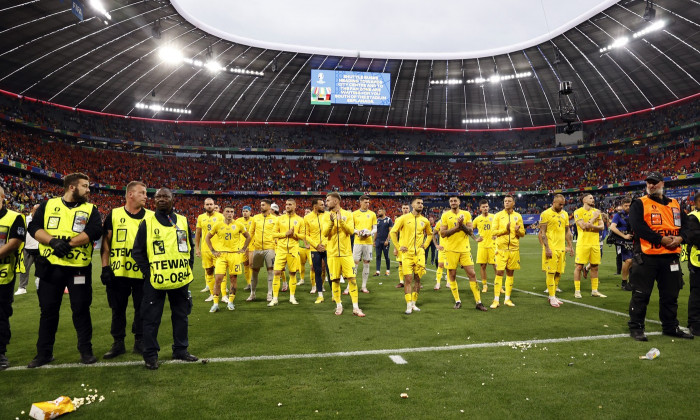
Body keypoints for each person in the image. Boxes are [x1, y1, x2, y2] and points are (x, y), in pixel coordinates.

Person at [27, 173, 102, 368]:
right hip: (50, 268)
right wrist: (52, 242)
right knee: (48, 311)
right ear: (72, 187)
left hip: (79, 269)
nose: (88, 190)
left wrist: (67, 244)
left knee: (81, 309)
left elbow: (94, 231)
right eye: (85, 186)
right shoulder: (48, 205)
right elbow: (34, 227)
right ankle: (44, 353)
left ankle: (86, 351)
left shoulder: (90, 209)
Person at [132, 188, 198, 369]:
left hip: (180, 280)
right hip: (155, 281)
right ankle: (151, 355)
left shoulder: (183, 221)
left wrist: (188, 268)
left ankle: (181, 350)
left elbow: (189, 249)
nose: (161, 199)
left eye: (165, 196)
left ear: (172, 199)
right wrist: (149, 272)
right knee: (151, 319)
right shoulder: (147, 222)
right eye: (158, 197)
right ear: (154, 201)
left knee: (181, 316)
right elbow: (137, 252)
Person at [627, 173, 693, 341]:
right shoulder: (639, 203)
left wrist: (680, 238)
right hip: (647, 256)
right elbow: (638, 227)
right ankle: (636, 327)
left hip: (670, 257)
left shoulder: (675, 204)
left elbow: (687, 226)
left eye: (654, 183)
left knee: (671, 295)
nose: (651, 185)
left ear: (662, 184)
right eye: (649, 183)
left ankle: (670, 327)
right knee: (641, 294)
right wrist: (661, 239)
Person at [100, 181, 153, 359]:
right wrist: (105, 267)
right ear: (130, 194)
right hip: (118, 272)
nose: (146, 196)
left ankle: (140, 341)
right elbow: (105, 243)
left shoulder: (151, 217)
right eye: (142, 192)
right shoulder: (114, 214)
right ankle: (118, 343)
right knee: (117, 308)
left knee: (142, 308)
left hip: (142, 273)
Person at [440, 196, 487, 311]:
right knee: (452, 275)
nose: (453, 202)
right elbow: (442, 233)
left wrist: (463, 225)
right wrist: (457, 227)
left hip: (465, 249)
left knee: (472, 274)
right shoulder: (445, 215)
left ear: (459, 202)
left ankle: (478, 302)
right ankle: (457, 300)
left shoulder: (466, 214)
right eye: (451, 201)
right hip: (450, 250)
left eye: (455, 200)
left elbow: (470, 231)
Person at [322, 192, 365, 317]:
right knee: (334, 279)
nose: (326, 203)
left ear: (336, 201)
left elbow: (351, 231)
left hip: (346, 254)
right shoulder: (326, 216)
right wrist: (331, 222)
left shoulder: (348, 214)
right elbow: (325, 233)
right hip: (332, 254)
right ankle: (339, 305)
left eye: (328, 200)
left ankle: (355, 307)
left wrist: (341, 222)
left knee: (352, 279)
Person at [390, 198, 433, 314]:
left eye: (422, 203)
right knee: (408, 279)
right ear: (412, 205)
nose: (421, 205)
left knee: (418, 279)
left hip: (419, 254)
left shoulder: (425, 221)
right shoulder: (403, 218)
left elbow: (430, 234)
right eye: (418, 203)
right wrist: (398, 246)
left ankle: (414, 303)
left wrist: (426, 244)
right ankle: (408, 305)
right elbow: (393, 232)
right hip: (407, 254)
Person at [0, 185, 26, 370]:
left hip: (3, 276)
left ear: (2, 197)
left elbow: (15, 243)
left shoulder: (14, 217)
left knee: (1, 314)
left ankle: (0, 353)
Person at [205, 206, 251, 312]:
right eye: (227, 212)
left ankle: (230, 302)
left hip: (234, 255)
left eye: (232, 212)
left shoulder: (238, 224)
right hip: (221, 255)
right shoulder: (217, 225)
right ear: (223, 213)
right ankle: (215, 303)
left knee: (233, 279)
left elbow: (248, 236)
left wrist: (244, 248)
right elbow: (207, 237)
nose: (230, 213)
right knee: (218, 279)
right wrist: (212, 250)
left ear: (234, 213)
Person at [539, 194, 573, 308]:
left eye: (563, 204)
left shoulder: (565, 214)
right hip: (551, 248)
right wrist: (547, 248)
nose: (562, 206)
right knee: (551, 272)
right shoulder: (545, 214)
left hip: (561, 248)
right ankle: (552, 297)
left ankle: (552, 296)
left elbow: (567, 231)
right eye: (560, 204)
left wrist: (570, 246)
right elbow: (542, 233)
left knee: (558, 272)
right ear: (554, 202)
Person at [491, 194, 525, 308]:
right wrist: (504, 230)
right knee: (499, 273)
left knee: (510, 273)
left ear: (513, 203)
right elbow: (493, 232)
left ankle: (507, 299)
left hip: (514, 249)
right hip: (501, 249)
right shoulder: (498, 216)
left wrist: (517, 231)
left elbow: (523, 234)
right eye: (505, 201)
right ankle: (496, 300)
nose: (506, 202)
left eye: (509, 201)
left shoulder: (518, 216)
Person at [268, 199, 305, 306]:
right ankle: (275, 298)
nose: (287, 206)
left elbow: (303, 236)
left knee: (293, 273)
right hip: (281, 250)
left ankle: (292, 297)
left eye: (290, 204)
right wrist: (286, 233)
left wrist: (294, 235)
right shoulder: (279, 219)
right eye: (286, 204)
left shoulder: (300, 220)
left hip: (293, 250)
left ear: (295, 206)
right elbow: (274, 234)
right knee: (276, 273)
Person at [572, 194, 606, 299]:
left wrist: (591, 225)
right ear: (584, 200)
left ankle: (594, 291)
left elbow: (602, 227)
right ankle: (577, 291)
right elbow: (583, 226)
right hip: (583, 243)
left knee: (595, 267)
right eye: (591, 198)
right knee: (579, 267)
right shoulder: (578, 212)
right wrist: (594, 218)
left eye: (593, 197)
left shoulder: (596, 211)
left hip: (595, 243)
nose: (593, 199)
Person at [194, 198, 225, 302]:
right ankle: (212, 294)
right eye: (207, 204)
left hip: (218, 249)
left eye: (211, 204)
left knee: (221, 272)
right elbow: (198, 234)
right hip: (205, 249)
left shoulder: (220, 217)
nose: (209, 206)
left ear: (214, 205)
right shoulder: (200, 217)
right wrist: (197, 248)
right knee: (209, 271)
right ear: (204, 205)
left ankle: (224, 295)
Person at [247, 199, 277, 302]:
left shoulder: (275, 219)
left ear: (269, 207)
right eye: (261, 205)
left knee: (270, 271)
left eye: (263, 205)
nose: (261, 206)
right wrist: (246, 246)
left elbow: (277, 234)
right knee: (254, 271)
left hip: (270, 248)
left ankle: (269, 294)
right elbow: (250, 233)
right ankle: (252, 293)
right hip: (257, 248)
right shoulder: (255, 218)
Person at [304, 199, 329, 303]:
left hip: (327, 247)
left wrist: (324, 244)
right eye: (322, 205)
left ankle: (334, 294)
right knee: (317, 271)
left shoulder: (328, 215)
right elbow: (306, 234)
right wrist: (316, 245)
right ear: (315, 206)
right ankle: (320, 295)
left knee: (330, 271)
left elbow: (330, 231)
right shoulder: (307, 218)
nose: (324, 206)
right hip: (315, 249)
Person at [350, 195, 376, 294]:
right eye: (365, 202)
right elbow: (351, 228)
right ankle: (350, 286)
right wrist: (357, 232)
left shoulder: (372, 214)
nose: (367, 204)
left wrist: (370, 232)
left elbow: (375, 228)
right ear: (360, 202)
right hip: (357, 242)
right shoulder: (354, 214)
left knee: (366, 263)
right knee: (355, 263)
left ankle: (363, 286)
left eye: (368, 202)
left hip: (368, 242)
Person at [610, 198, 634, 291]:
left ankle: (631, 282)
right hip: (622, 241)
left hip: (633, 240)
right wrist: (624, 236)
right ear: (622, 206)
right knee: (628, 261)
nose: (628, 207)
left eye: (629, 205)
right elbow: (612, 227)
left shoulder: (634, 214)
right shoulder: (618, 215)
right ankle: (624, 282)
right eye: (626, 205)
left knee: (633, 262)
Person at [472, 200, 496, 293]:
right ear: (480, 208)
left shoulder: (494, 217)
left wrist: (496, 235)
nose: (485, 208)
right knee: (483, 266)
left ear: (488, 207)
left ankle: (498, 285)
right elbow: (470, 230)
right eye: (483, 207)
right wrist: (475, 238)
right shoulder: (477, 219)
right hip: (482, 245)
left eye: (486, 206)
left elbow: (500, 228)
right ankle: (484, 285)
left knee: (496, 266)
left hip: (493, 245)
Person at [15, 204, 39, 296]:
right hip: (27, 248)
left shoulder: (43, 220)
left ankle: (40, 285)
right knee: (24, 269)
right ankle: (22, 287)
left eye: (39, 210)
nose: (37, 211)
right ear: (32, 210)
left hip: (39, 248)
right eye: (36, 209)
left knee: (41, 270)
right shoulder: (25, 220)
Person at [685, 193, 700, 336]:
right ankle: (694, 323)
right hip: (697, 261)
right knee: (697, 293)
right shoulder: (693, 216)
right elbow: (695, 236)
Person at [237, 206, 254, 291]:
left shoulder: (253, 220)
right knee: (246, 265)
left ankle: (252, 282)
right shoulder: (238, 221)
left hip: (252, 246)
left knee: (251, 264)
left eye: (246, 211)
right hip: (242, 247)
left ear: (250, 212)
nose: (244, 212)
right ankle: (249, 283)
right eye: (243, 211)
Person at [395, 204, 410, 288]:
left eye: (407, 208)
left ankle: (416, 281)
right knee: (400, 263)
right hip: (401, 245)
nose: (405, 210)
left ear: (409, 209)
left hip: (412, 245)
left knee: (414, 264)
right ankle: (401, 281)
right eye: (403, 208)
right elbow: (395, 234)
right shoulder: (398, 219)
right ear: (401, 209)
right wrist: (395, 248)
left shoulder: (414, 218)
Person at [374, 208, 393, 276]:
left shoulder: (388, 220)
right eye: (378, 211)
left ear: (384, 212)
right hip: (378, 241)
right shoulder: (377, 220)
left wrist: (387, 240)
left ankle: (387, 271)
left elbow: (390, 231)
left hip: (385, 241)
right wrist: (374, 240)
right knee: (378, 256)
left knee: (386, 256)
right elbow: (376, 231)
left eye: (380, 211)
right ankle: (378, 271)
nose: (378, 212)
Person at [432, 217, 447, 290]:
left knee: (450, 266)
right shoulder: (439, 222)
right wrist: (436, 245)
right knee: (440, 265)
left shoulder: (454, 221)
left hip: (451, 248)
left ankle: (449, 282)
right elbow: (433, 233)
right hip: (442, 248)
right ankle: (438, 283)